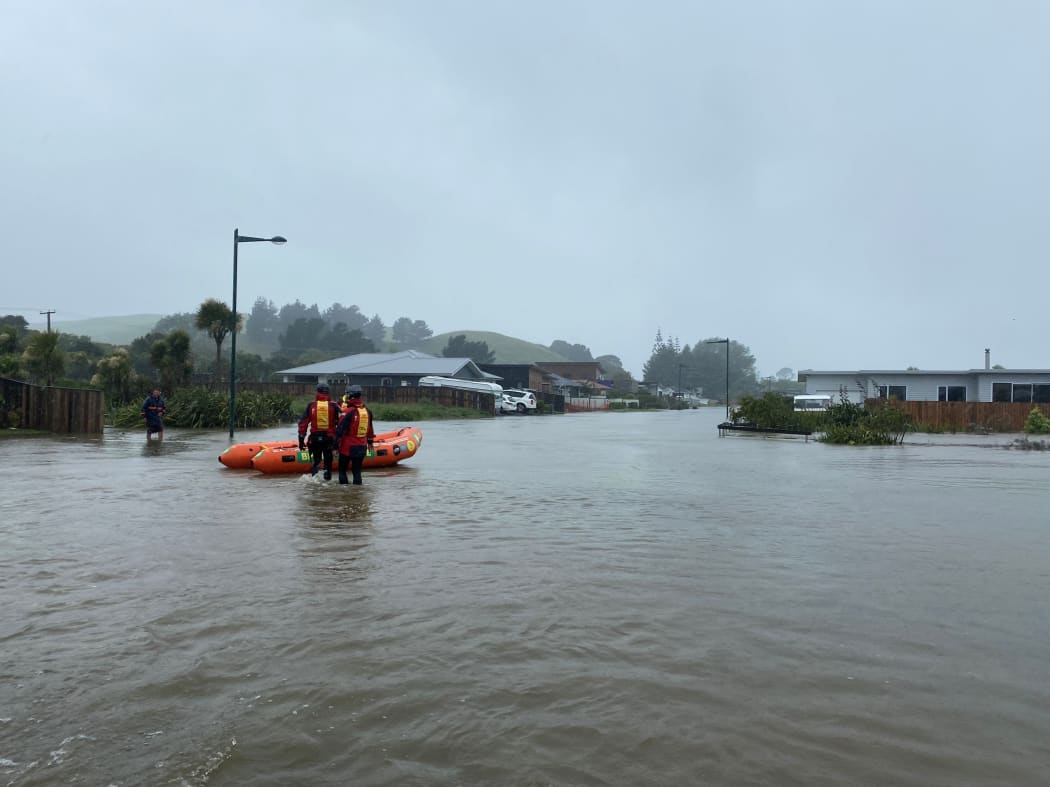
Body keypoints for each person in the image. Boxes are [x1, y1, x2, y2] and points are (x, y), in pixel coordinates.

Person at [297, 383, 341, 480]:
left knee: (316, 462)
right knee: (328, 464)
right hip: (329, 439)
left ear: (317, 392)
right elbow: (341, 423)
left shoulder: (311, 405)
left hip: (315, 439)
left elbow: (302, 424)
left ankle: (315, 483)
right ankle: (327, 483)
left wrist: (301, 440)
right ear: (328, 393)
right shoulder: (334, 406)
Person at [335, 384, 375, 485]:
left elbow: (340, 430)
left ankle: (344, 495)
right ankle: (357, 494)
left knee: (342, 470)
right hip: (361, 446)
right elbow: (370, 429)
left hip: (348, 446)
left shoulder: (348, 412)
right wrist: (370, 443)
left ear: (351, 396)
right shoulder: (367, 411)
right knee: (357, 472)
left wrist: (335, 447)